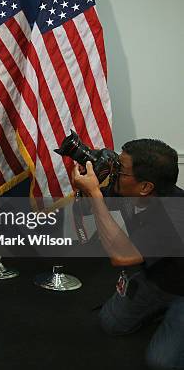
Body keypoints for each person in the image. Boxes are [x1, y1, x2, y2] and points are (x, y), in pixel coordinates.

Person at [73, 139, 184, 370]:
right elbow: (87, 207)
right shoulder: (129, 189)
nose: (114, 170)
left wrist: (93, 193)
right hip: (157, 276)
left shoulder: (175, 218)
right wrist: (88, 188)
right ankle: (160, 309)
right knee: (110, 323)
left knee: (161, 362)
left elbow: (121, 257)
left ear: (145, 187)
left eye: (120, 169)